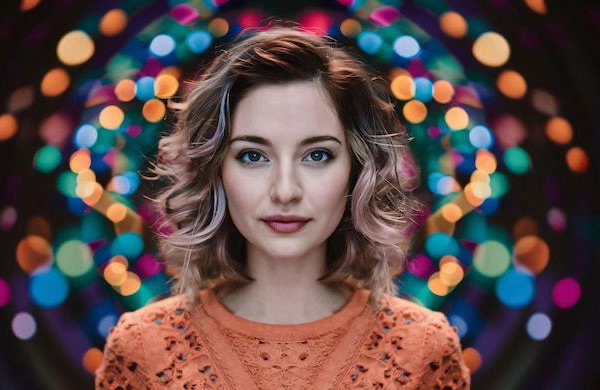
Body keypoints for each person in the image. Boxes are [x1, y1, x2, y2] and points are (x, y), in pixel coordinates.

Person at [95, 26, 471, 389]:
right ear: (215, 171)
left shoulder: (424, 349)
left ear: (356, 171)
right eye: (254, 156)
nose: (286, 190)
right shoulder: (142, 350)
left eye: (318, 155)